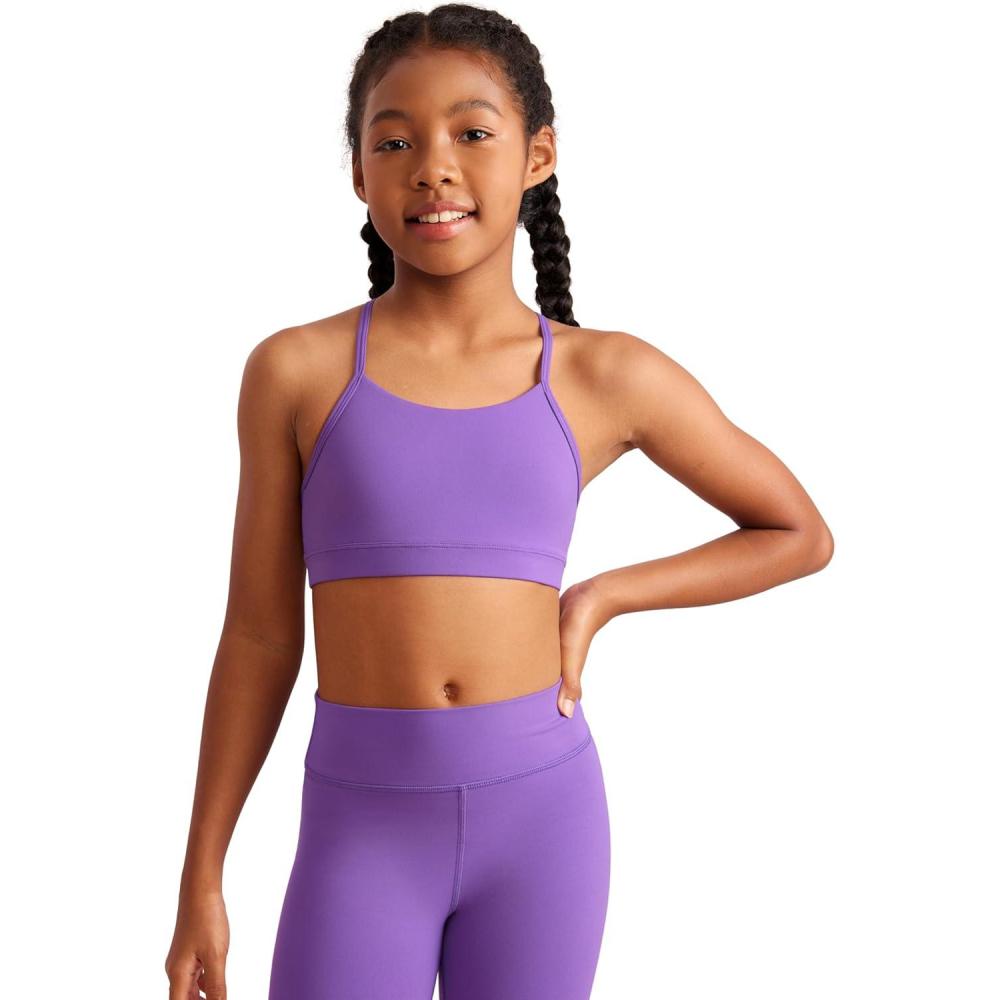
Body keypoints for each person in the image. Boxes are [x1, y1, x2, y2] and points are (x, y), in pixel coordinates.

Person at [164, 6, 834, 999]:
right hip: (361, 824)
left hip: (543, 821)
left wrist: (600, 598)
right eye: (395, 142)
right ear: (359, 174)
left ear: (537, 156)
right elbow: (260, 636)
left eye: (471, 133)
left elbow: (797, 531)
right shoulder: (296, 371)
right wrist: (201, 875)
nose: (432, 168)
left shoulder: (601, 375)